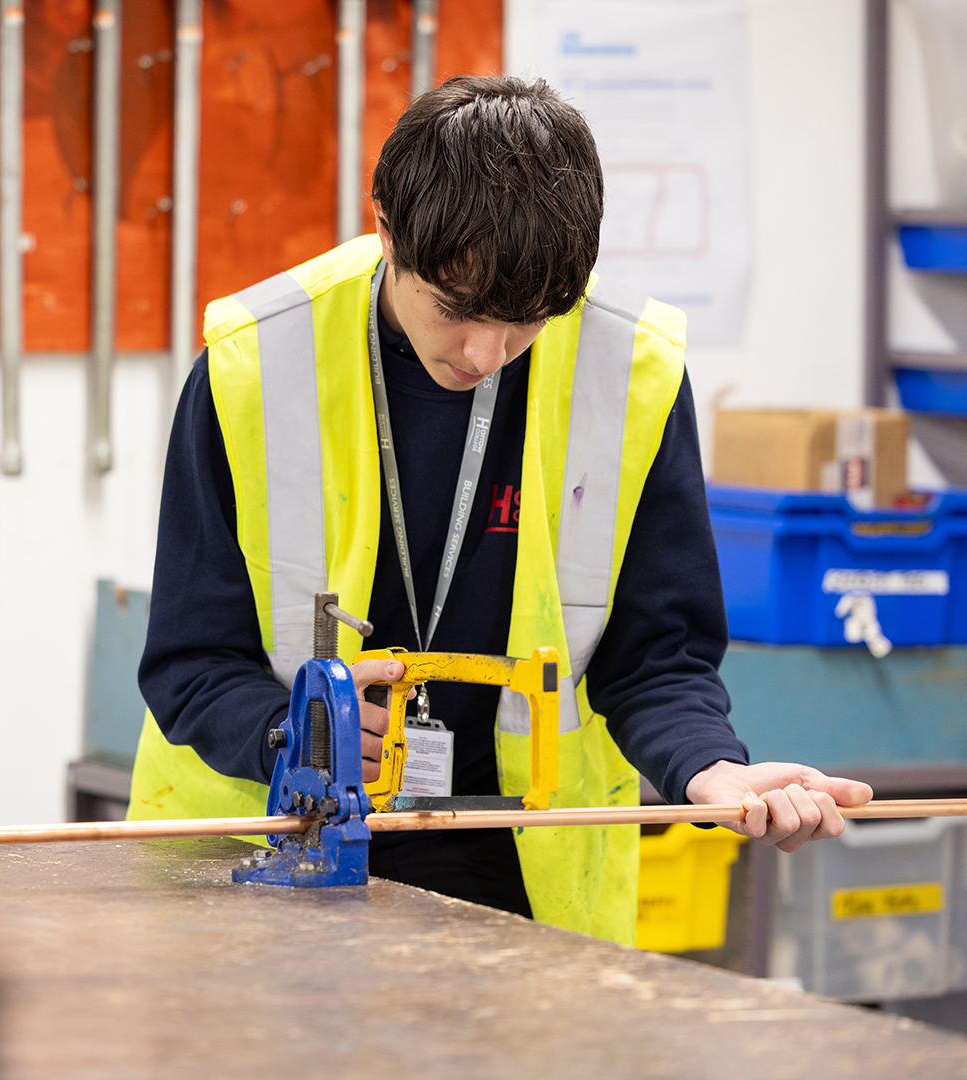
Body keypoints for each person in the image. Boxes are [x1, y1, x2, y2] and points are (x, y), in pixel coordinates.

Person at [127, 75, 872, 943]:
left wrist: (708, 766)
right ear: (386, 227)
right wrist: (285, 735)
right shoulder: (255, 363)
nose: (486, 353)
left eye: (527, 322)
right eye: (458, 311)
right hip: (274, 849)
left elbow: (654, 656)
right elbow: (189, 662)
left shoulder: (631, 371)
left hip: (522, 866)